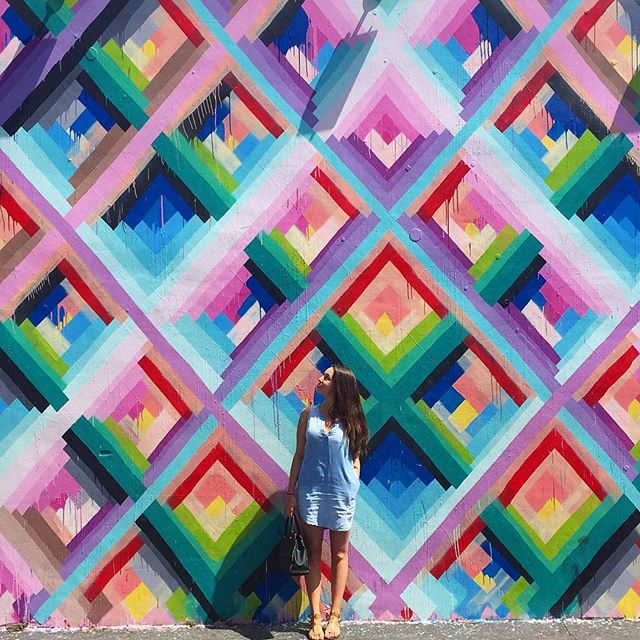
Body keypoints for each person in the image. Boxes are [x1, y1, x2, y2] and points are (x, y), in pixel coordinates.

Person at [285, 364, 368, 640]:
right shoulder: (308, 415)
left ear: (340, 386)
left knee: (340, 554)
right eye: (323, 376)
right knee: (313, 555)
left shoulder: (352, 419)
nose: (320, 380)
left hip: (342, 494)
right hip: (312, 492)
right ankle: (316, 617)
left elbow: (356, 455)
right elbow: (299, 455)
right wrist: (290, 492)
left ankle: (335, 616)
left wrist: (353, 481)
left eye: (327, 377)